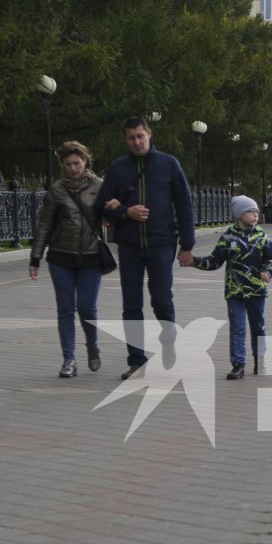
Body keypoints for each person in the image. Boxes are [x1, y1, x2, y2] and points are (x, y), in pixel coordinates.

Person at [99, 117, 195, 380]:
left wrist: (187, 246)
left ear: (149, 134)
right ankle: (136, 360)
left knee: (161, 299)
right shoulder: (118, 168)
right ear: (125, 139)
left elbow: (185, 205)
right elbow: (101, 204)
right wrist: (124, 211)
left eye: (140, 136)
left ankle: (168, 338)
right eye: (131, 137)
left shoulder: (168, 164)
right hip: (129, 246)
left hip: (161, 243)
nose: (136, 142)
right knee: (131, 305)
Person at [28, 141, 106, 378]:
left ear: (85, 162)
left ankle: (92, 346)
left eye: (77, 163)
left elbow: (111, 212)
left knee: (87, 308)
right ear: (62, 165)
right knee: (65, 310)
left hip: (91, 256)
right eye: (68, 164)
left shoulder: (100, 186)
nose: (73, 168)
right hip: (61, 257)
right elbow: (45, 224)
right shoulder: (57, 190)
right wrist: (36, 256)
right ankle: (69, 359)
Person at [188, 195, 272, 379]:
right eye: (250, 211)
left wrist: (268, 272)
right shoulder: (227, 237)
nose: (255, 215)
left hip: (256, 291)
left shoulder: (261, 236)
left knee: (258, 327)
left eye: (256, 212)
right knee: (237, 328)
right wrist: (193, 262)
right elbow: (214, 262)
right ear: (239, 214)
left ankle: (260, 361)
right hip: (234, 291)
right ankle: (238, 364)